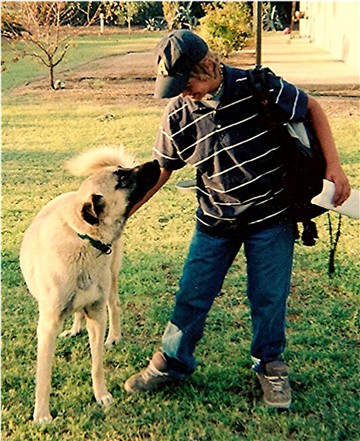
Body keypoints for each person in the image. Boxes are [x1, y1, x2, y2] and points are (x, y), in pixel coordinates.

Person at [124, 30, 350, 408]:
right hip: (214, 221)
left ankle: (270, 365)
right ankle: (172, 362)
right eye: (177, 86)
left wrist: (335, 169)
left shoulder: (258, 86)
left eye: (189, 82)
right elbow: (162, 170)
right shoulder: (178, 114)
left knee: (268, 297)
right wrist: (123, 216)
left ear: (210, 65)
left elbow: (312, 108)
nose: (185, 92)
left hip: (271, 218)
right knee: (191, 296)